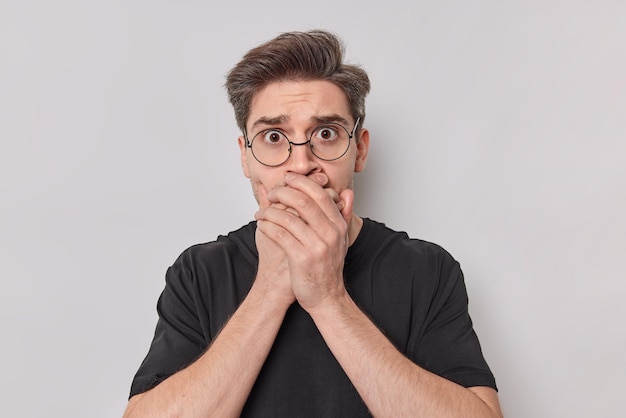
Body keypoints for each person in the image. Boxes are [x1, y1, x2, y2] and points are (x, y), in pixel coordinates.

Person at [123, 30, 503, 418]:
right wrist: (271, 287)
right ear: (245, 158)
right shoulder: (200, 272)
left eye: (326, 133)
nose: (302, 164)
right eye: (273, 136)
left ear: (360, 149)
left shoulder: (427, 269)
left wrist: (327, 297)